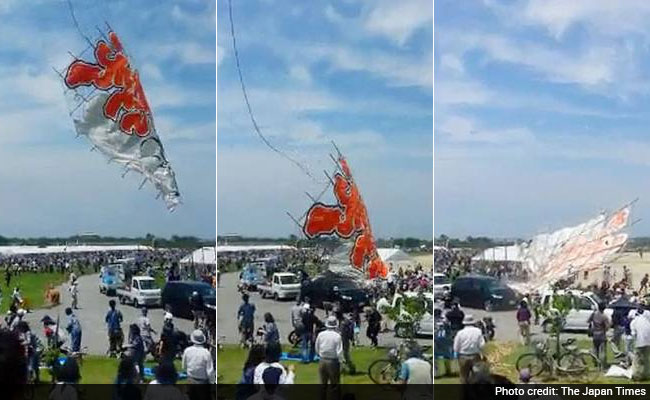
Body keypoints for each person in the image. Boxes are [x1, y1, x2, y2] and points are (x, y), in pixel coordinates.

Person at [315, 316, 343, 400]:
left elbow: (317, 347)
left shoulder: (321, 334)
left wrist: (319, 355)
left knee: (323, 384)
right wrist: (341, 362)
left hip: (322, 360)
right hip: (333, 361)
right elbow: (339, 351)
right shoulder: (337, 336)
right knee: (334, 384)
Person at [453, 315, 486, 384]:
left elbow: (456, 347)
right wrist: (482, 354)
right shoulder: (478, 331)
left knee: (463, 375)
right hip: (475, 356)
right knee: (476, 375)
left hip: (463, 356)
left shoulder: (460, 333)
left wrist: (456, 354)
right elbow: (482, 345)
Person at [588, 302, 610, 368]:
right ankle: (603, 364)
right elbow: (607, 327)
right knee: (602, 351)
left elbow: (588, 321)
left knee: (595, 349)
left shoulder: (594, 314)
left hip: (595, 334)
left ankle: (595, 362)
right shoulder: (604, 316)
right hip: (602, 334)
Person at [631, 308, 650, 381]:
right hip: (648, 342)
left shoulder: (634, 322)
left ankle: (637, 375)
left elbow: (633, 334)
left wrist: (634, 344)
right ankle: (647, 374)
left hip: (639, 342)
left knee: (637, 360)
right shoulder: (647, 320)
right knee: (646, 359)